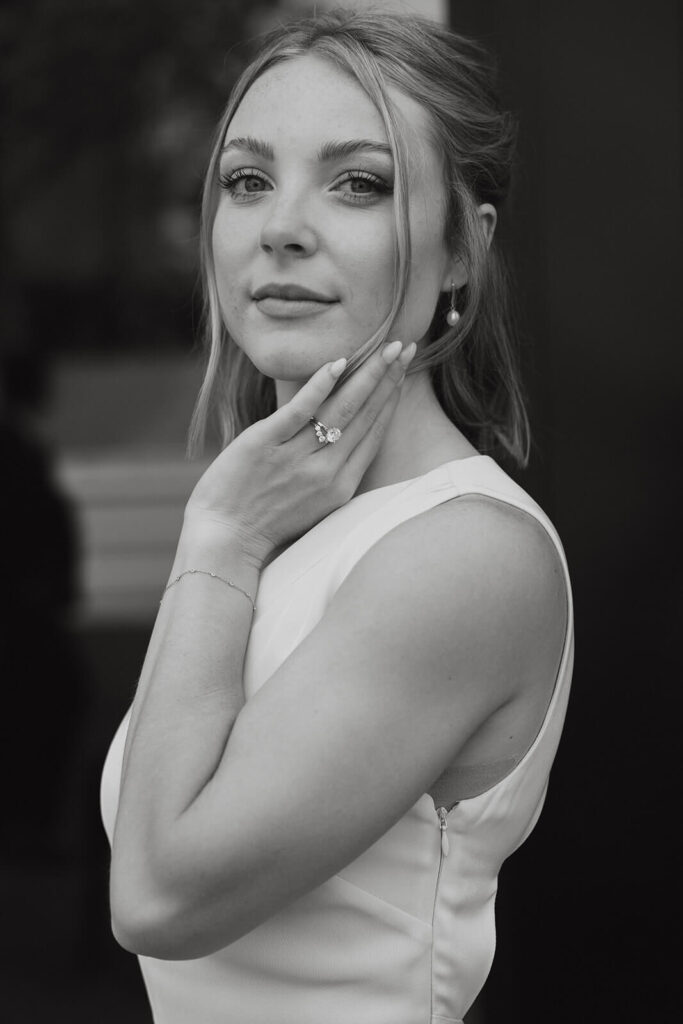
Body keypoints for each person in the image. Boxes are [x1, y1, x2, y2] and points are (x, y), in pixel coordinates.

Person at [100, 9, 573, 1023]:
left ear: (460, 250)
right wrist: (231, 536)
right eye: (247, 180)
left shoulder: (463, 553)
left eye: (358, 182)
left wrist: (218, 541)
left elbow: (157, 896)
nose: (280, 226)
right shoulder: (271, 522)